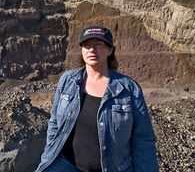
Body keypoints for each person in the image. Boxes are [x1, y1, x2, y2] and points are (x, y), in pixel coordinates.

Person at [35, 26, 159, 172]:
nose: (91, 50)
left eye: (98, 45)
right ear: (81, 50)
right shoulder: (68, 80)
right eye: (86, 45)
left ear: (110, 50)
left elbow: (143, 140)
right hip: (65, 165)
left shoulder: (129, 89)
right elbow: (55, 122)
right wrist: (47, 155)